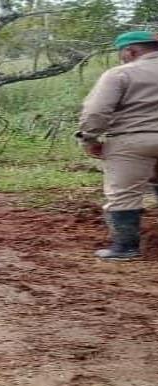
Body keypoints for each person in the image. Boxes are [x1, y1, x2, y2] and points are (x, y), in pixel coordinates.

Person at [78, 31, 158, 260]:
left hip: (132, 140)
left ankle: (125, 248)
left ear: (130, 51)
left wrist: (89, 138)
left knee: (124, 193)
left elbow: (96, 111)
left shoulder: (120, 73)